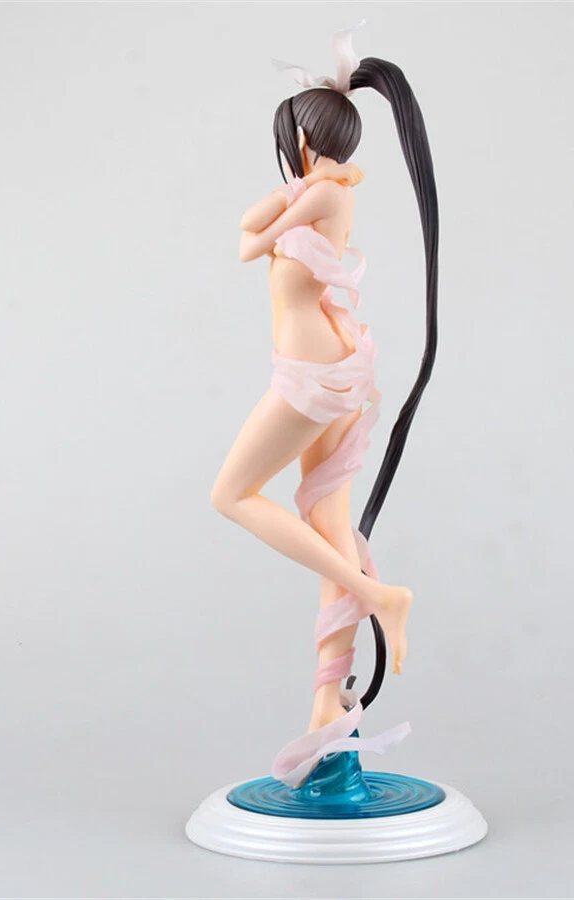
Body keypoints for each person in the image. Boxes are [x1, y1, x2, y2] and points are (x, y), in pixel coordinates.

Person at [211, 21, 439, 788]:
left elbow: (248, 244)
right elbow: (249, 225)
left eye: (292, 144)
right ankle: (325, 705)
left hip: (310, 377)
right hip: (331, 365)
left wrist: (293, 190)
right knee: (331, 524)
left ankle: (380, 595)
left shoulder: (326, 195)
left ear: (305, 143)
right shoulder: (322, 193)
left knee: (232, 494)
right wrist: (290, 190)